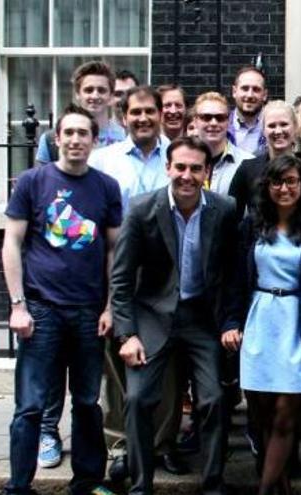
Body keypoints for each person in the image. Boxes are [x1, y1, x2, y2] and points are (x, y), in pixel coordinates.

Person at [2, 104, 122, 495]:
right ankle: (19, 486)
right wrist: (17, 305)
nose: (75, 140)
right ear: (57, 138)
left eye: (82, 134)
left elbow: (112, 252)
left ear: (94, 139)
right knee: (31, 405)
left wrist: (109, 307)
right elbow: (12, 242)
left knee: (87, 402)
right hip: (41, 309)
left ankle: (86, 482)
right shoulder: (33, 182)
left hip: (89, 312)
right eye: (68, 133)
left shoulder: (106, 187)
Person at [111, 136, 238, 495]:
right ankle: (140, 486)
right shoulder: (141, 209)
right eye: (180, 167)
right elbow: (120, 277)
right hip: (152, 317)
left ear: (207, 172)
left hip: (201, 318)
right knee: (137, 400)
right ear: (168, 168)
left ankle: (213, 484)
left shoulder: (224, 209)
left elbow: (230, 275)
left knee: (213, 399)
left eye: (196, 168)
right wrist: (127, 334)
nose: (187, 175)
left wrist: (229, 321)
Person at [221, 155, 301, 495]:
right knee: (262, 415)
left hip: (298, 324)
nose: (284, 188)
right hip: (260, 320)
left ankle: (263, 489)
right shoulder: (251, 226)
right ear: (267, 186)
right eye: (277, 182)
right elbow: (235, 281)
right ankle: (280, 486)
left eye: (291, 181)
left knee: (287, 413)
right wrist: (230, 322)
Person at [88, 86, 188, 479]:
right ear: (124, 116)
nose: (144, 118)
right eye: (136, 112)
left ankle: (162, 444)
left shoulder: (177, 156)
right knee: (120, 369)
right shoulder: (104, 162)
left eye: (150, 111)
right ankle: (121, 445)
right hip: (122, 274)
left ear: (162, 114)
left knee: (169, 372)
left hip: (170, 277)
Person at [229, 100, 301, 221]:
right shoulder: (247, 170)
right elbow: (233, 218)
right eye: (272, 126)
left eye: (284, 124)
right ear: (263, 130)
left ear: (295, 127)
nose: (278, 131)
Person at [35, 60, 126, 168]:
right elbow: (42, 181)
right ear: (78, 94)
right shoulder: (50, 140)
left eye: (101, 90)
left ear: (111, 96)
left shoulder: (125, 137)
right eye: (89, 90)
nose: (95, 96)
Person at [192, 92, 254, 195]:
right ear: (195, 121)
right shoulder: (182, 163)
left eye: (220, 118)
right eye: (206, 117)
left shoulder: (248, 163)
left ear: (229, 121)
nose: (213, 123)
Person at [229, 65, 269, 155]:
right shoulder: (221, 127)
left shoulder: (272, 128)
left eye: (256, 89)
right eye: (245, 88)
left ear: (265, 95)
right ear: (234, 92)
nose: (250, 95)